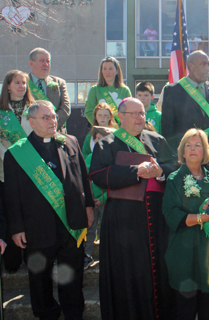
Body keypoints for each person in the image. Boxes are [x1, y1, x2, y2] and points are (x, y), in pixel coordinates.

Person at [4, 100, 94, 320]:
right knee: (39, 277)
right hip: (36, 227)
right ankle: (46, 314)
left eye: (54, 116)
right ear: (31, 121)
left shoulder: (70, 142)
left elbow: (83, 178)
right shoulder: (16, 154)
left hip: (71, 223)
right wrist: (16, 228)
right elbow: (11, 196)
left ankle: (74, 312)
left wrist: (89, 207)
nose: (53, 121)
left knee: (73, 275)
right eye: (46, 117)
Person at [90, 97, 177, 319]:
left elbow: (175, 168)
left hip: (156, 218)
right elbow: (98, 176)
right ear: (120, 116)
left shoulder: (157, 140)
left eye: (142, 113)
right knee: (126, 274)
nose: (140, 117)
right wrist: (134, 171)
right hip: (123, 221)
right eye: (134, 113)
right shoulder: (106, 143)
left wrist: (160, 172)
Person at [163, 128, 209, 320]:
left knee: (207, 309)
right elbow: (171, 215)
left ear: (205, 151)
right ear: (183, 152)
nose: (193, 149)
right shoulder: (174, 179)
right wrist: (203, 218)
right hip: (183, 254)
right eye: (188, 145)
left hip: (208, 253)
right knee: (185, 310)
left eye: (198, 145)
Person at [0, 70, 34, 273]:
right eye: (17, 82)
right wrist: (13, 160)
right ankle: (12, 259)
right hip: (5, 171)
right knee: (9, 213)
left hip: (31, 172)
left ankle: (33, 257)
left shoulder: (35, 109)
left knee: (30, 214)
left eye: (24, 82)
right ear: (8, 86)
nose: (21, 86)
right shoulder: (1, 111)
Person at [161, 50, 209, 151]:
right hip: (186, 153)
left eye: (208, 64)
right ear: (191, 66)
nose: (207, 68)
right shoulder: (172, 91)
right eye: (203, 64)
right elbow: (167, 128)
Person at [81, 103, 118, 270]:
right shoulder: (89, 157)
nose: (100, 142)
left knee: (107, 229)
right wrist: (92, 199)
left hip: (107, 198)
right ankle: (86, 256)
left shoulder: (114, 157)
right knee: (89, 228)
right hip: (92, 199)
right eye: (97, 139)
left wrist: (102, 198)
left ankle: (107, 256)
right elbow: (84, 176)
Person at [28, 48, 71, 131]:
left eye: (48, 61)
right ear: (31, 63)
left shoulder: (59, 82)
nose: (46, 64)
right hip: (32, 133)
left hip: (56, 132)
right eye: (42, 61)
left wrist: (51, 124)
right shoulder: (23, 83)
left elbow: (65, 108)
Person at [84, 56, 132, 124]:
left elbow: (130, 112)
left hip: (121, 132)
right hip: (101, 131)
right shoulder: (94, 90)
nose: (108, 72)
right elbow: (89, 112)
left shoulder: (125, 90)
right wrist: (101, 127)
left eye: (111, 68)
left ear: (117, 71)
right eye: (104, 69)